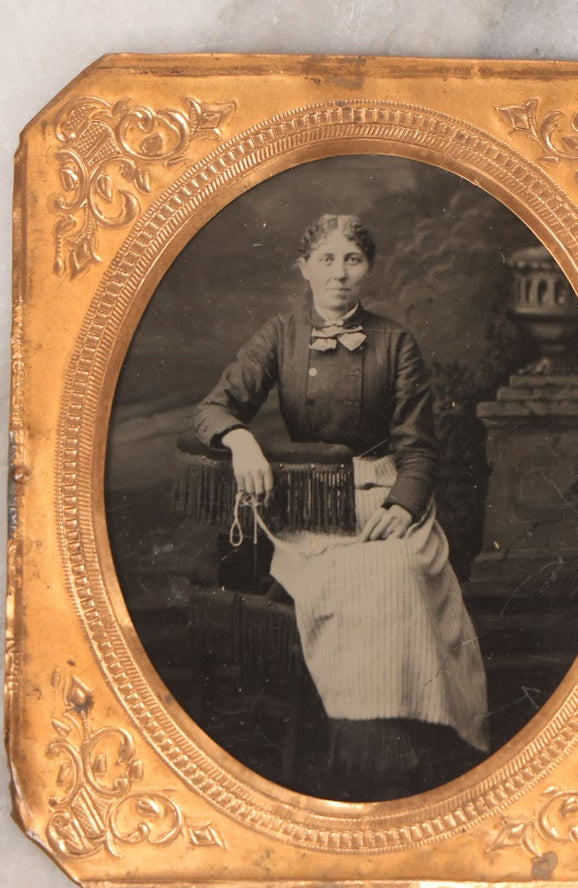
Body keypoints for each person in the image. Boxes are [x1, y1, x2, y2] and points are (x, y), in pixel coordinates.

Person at [193, 213, 488, 801]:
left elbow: (418, 447)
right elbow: (212, 407)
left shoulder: (396, 342)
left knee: (399, 570)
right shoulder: (280, 334)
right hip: (310, 503)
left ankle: (399, 742)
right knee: (348, 577)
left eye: (352, 259)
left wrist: (404, 507)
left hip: (383, 493)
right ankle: (358, 746)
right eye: (326, 259)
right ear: (303, 269)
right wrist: (239, 437)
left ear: (369, 269)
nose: (339, 274)